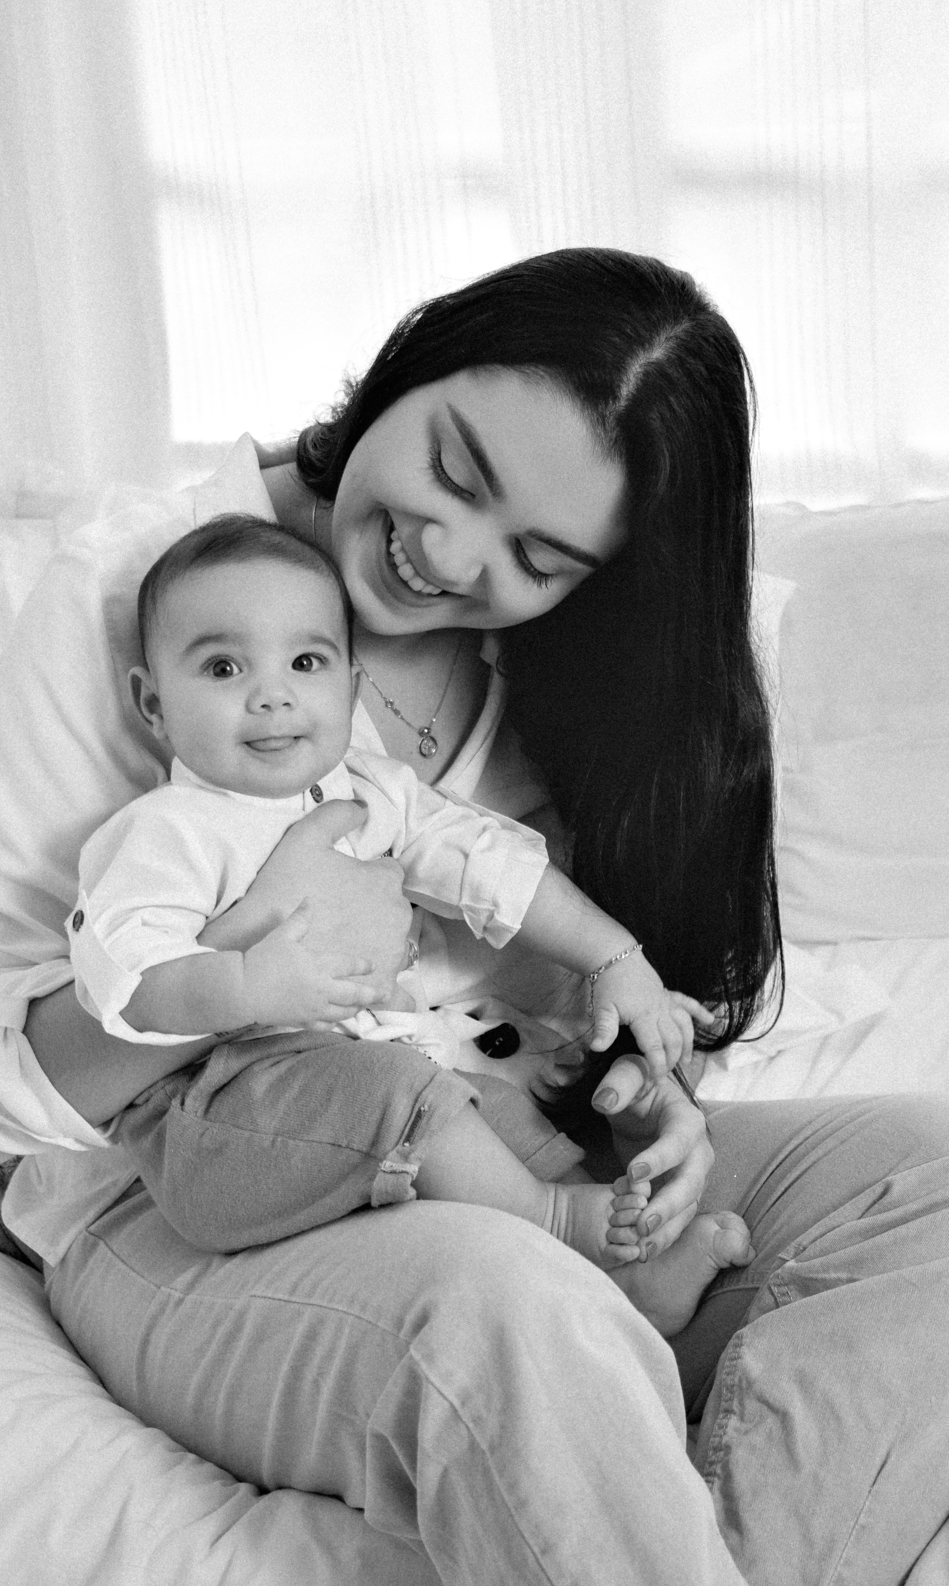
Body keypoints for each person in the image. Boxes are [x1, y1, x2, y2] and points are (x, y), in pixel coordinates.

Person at [0, 247, 949, 1586]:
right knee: (507, 1306)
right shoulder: (157, 599)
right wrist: (248, 971)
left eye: (539, 557)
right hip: (194, 1196)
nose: (453, 558)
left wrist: (641, 1101)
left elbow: (537, 993)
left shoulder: (554, 681)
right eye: (454, 467)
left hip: (503, 1142)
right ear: (411, 361)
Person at [67, 510, 748, 1319]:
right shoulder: (168, 829)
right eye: (222, 668)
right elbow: (124, 977)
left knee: (482, 1105)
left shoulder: (369, 791)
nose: (272, 694)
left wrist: (613, 957)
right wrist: (248, 981)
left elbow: (485, 864)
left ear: (350, 689)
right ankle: (563, 1227)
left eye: (306, 660)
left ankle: (626, 1267)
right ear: (153, 704)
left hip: (347, 1084)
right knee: (407, 1092)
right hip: (217, 1121)